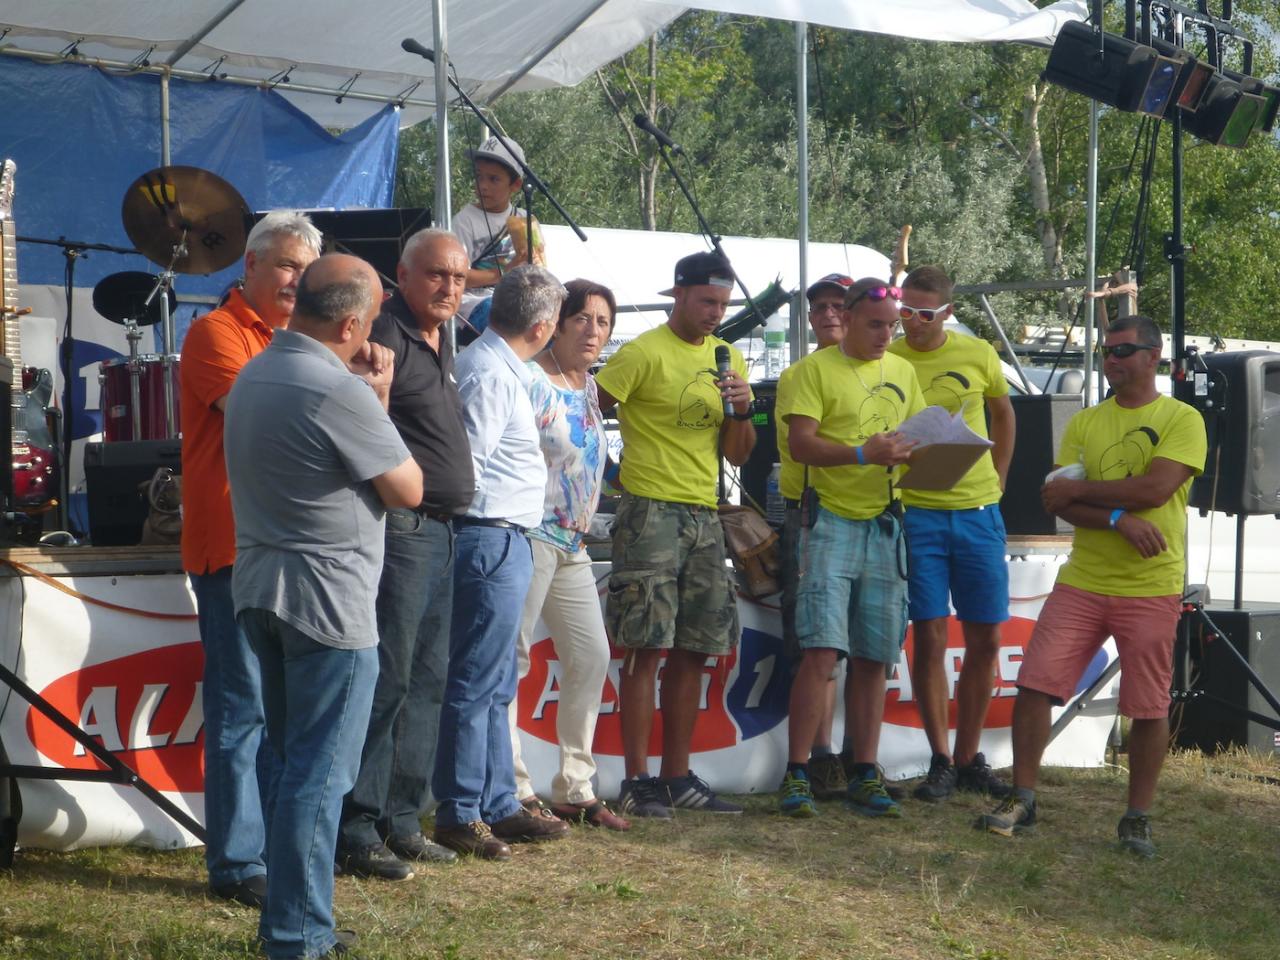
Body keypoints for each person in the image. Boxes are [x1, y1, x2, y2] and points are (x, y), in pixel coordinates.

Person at [226, 254, 423, 960]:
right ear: (350, 323)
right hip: (327, 605)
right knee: (318, 778)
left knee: (289, 767)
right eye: (370, 322)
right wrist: (375, 399)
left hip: (262, 590)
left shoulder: (257, 370)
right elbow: (408, 488)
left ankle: (288, 921)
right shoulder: (332, 389)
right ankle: (298, 935)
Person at [979, 315, 1206, 857]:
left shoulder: (1183, 418)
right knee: (1034, 684)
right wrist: (1117, 519)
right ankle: (1023, 798)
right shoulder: (1085, 421)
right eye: (1108, 350)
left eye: (1125, 350)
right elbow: (1057, 501)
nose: (1113, 359)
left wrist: (1088, 492)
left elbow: (1156, 488)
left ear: (1155, 357)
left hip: (1150, 585)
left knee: (1147, 707)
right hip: (1082, 580)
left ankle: (1137, 818)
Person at [180, 210, 320, 908]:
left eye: (305, 268)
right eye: (287, 265)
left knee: (282, 712)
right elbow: (265, 419)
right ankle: (237, 865)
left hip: (288, 545)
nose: (297, 279)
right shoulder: (215, 332)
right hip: (233, 544)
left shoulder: (300, 341)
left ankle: (269, 854)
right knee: (241, 709)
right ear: (251, 268)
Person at [594, 251, 755, 818]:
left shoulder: (726, 355)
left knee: (696, 647)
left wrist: (742, 412)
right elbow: (588, 411)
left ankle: (678, 774)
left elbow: (737, 454)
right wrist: (612, 477)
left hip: (705, 513)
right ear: (678, 294)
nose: (716, 313)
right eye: (707, 301)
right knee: (645, 646)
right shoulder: (642, 352)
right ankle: (637, 780)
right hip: (650, 512)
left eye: (723, 304)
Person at [336, 230, 474, 880]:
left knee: (426, 682)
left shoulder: (440, 340)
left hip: (443, 532)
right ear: (402, 276)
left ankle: (400, 820)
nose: (449, 287)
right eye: (436, 276)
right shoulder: (385, 336)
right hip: (404, 529)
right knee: (390, 681)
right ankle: (357, 827)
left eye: (458, 277)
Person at [432, 265, 572, 860]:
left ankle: (494, 803)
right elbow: (468, 466)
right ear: (544, 327)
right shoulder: (490, 373)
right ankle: (462, 810)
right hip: (488, 534)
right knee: (474, 678)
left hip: (504, 535)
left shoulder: (499, 369)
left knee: (491, 681)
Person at [778, 278, 924, 819]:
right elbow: (801, 444)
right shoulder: (811, 372)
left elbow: (918, 435)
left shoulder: (904, 372)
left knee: (876, 655)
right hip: (829, 521)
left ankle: (865, 769)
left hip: (887, 520)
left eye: (892, 325)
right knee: (821, 651)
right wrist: (865, 454)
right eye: (876, 325)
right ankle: (797, 772)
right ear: (848, 317)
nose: (886, 335)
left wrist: (928, 453)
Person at [887, 265, 1016, 802]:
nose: (912, 323)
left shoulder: (978, 352)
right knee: (931, 635)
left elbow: (1004, 416)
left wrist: (1000, 481)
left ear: (948, 313)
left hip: (977, 509)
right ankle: (940, 758)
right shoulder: (888, 358)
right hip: (916, 511)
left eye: (924, 314)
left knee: (986, 636)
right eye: (905, 312)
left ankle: (968, 757)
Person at [507, 279, 630, 832]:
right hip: (528, 534)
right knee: (511, 663)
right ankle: (513, 790)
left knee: (591, 657)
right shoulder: (531, 379)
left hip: (573, 544)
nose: (593, 330)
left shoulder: (590, 387)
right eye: (582, 318)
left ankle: (575, 787)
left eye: (603, 322)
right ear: (556, 323)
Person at [776, 273, 851, 802]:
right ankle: (814, 758)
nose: (828, 314)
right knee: (813, 643)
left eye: (838, 305)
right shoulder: (800, 375)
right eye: (819, 307)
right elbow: (805, 446)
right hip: (810, 513)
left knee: (853, 648)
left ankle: (845, 754)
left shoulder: (886, 372)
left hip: (871, 514)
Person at [451, 135, 543, 323]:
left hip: (518, 298)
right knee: (507, 315)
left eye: (494, 179)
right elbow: (457, 276)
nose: (482, 186)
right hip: (475, 303)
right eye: (479, 176)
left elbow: (540, 265)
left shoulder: (524, 218)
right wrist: (503, 273)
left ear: (516, 185)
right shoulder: (464, 221)